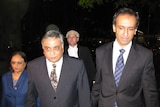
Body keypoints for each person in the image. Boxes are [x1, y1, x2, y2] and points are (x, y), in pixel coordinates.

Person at [91, 7, 159, 107]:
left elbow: (150, 92)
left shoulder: (144, 56)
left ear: (135, 30)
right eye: (121, 28)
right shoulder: (101, 52)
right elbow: (97, 85)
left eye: (130, 29)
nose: (125, 33)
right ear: (114, 27)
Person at [25, 30, 91, 107]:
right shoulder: (33, 67)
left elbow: (84, 97)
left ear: (62, 48)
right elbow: (30, 97)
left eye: (56, 48)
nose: (52, 52)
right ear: (43, 50)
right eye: (48, 48)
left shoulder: (77, 65)